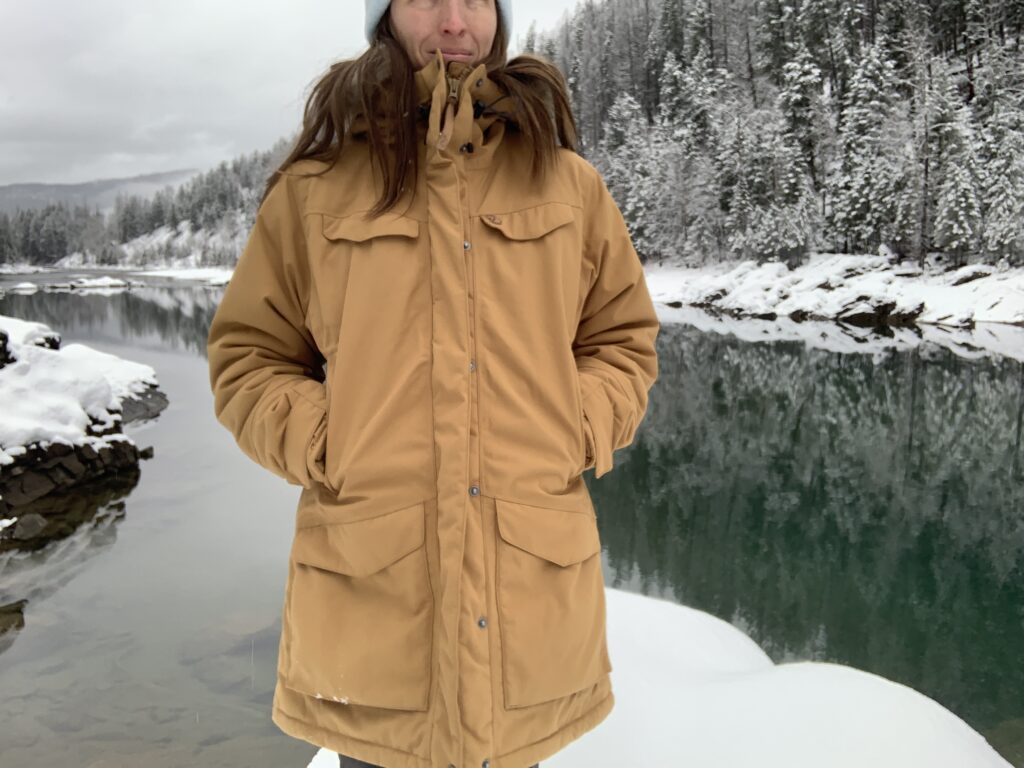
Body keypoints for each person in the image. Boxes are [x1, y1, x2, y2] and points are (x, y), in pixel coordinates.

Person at [206, 0, 660, 765]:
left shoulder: (569, 184)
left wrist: (574, 425)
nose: (454, 22)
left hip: (528, 602)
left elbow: (621, 341)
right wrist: (329, 438)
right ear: (384, 17)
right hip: (374, 614)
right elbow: (248, 357)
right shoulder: (314, 189)